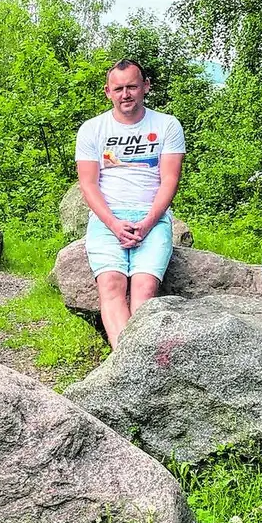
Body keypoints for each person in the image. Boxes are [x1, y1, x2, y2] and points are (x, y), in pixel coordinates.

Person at [73, 59, 187, 348]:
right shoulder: (92, 129)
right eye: (119, 88)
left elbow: (170, 180)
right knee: (111, 286)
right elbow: (88, 184)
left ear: (145, 87)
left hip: (152, 217)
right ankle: (126, 362)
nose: (126, 94)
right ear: (108, 92)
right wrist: (113, 224)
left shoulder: (167, 125)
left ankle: (139, 360)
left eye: (132, 87)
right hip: (107, 219)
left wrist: (147, 223)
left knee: (144, 291)